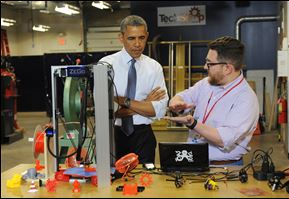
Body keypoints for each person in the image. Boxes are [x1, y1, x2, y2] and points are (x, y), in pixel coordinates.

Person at [165, 36, 259, 166]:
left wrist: (193, 123)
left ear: (227, 68)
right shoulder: (207, 83)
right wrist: (176, 102)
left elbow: (223, 139)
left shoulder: (246, 99)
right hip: (194, 160)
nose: (205, 67)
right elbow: (184, 96)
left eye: (209, 64)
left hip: (224, 167)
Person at [99, 15, 169, 164]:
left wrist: (124, 101)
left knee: (145, 183)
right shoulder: (105, 65)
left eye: (142, 38)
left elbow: (160, 110)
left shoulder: (154, 67)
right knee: (113, 183)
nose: (137, 44)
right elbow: (106, 111)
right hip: (113, 135)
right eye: (131, 38)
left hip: (143, 137)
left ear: (147, 36)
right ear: (121, 37)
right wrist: (144, 103)